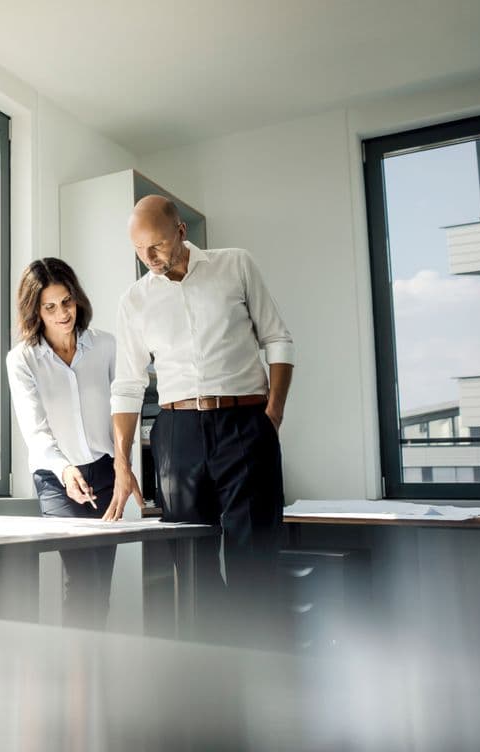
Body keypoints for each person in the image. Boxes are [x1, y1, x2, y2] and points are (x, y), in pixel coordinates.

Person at [107, 195, 295, 640]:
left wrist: (273, 414)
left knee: (256, 553)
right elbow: (128, 385)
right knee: (191, 558)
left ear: (181, 231)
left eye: (155, 246)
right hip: (178, 434)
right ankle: (212, 668)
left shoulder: (236, 265)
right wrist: (122, 460)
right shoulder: (134, 300)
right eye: (137, 250)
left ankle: (258, 657)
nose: (147, 259)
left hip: (246, 422)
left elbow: (279, 340)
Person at [6, 258, 119, 629]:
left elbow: (123, 408)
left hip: (104, 473)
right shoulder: (22, 360)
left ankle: (90, 669)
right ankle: (75, 674)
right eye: (50, 307)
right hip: (56, 478)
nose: (62, 314)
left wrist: (124, 465)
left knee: (100, 585)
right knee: (83, 579)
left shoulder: (105, 345)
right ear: (36, 310)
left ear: (77, 299)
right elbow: (34, 429)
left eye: (67, 302)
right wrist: (65, 469)